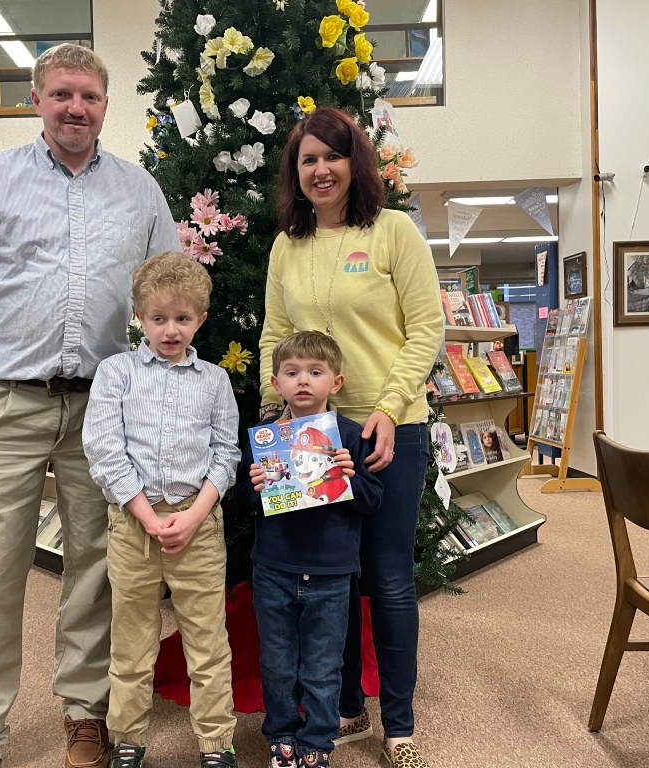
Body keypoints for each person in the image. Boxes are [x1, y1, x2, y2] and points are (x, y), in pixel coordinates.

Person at [0, 43, 181, 768]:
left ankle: (86, 713)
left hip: (103, 408)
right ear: (36, 99)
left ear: (106, 106)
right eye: (62, 94)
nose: (76, 108)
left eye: (89, 97)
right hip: (3, 401)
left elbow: (172, 291)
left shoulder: (141, 191)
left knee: (97, 567)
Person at [258, 106, 444, 768]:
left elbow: (426, 328)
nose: (320, 170)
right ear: (296, 172)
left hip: (391, 429)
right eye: (307, 159)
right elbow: (274, 335)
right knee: (328, 571)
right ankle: (345, 707)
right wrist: (276, 414)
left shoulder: (393, 231)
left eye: (331, 156)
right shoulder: (287, 245)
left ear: (354, 163)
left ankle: (400, 726)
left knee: (387, 577)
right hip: (312, 432)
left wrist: (389, 408)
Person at [82, 252, 241, 768]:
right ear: (139, 317)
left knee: (207, 641)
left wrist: (193, 516)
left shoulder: (214, 380)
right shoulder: (116, 373)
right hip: (134, 523)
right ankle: (128, 736)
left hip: (198, 523)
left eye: (182, 318)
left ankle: (216, 742)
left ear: (201, 319)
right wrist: (148, 518)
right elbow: (104, 450)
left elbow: (226, 454)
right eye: (158, 318)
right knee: (131, 641)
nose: (171, 330)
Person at [235, 331, 382, 768]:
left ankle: (317, 741)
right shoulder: (265, 439)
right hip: (274, 568)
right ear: (276, 383)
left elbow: (373, 501)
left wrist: (350, 479)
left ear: (335, 382)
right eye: (292, 372)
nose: (303, 381)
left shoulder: (349, 436)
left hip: (332, 573)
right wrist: (254, 487)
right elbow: (241, 502)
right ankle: (280, 734)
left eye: (315, 372)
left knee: (322, 664)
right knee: (278, 662)